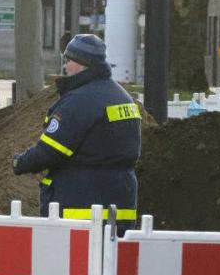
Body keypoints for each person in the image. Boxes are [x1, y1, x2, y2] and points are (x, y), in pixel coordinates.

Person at [12, 33, 141, 229]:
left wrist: (20, 162)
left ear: (82, 63)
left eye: (68, 60)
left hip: (81, 207)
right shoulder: (122, 96)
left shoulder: (79, 101)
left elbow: (50, 151)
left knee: (74, 260)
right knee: (112, 258)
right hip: (121, 205)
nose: (65, 66)